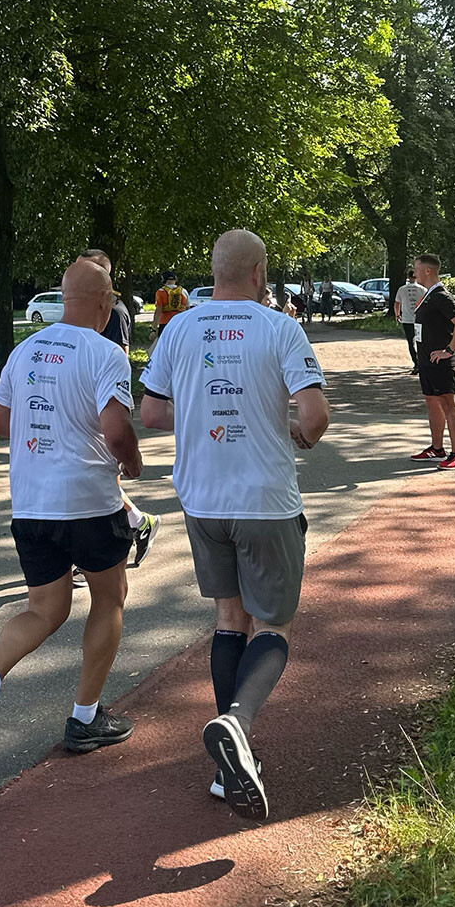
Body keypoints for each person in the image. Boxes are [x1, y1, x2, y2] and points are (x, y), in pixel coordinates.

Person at [140, 229, 329, 820]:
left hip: (202, 499)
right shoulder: (280, 328)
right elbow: (315, 416)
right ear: (259, 273)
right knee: (273, 625)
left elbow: (151, 413)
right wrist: (295, 432)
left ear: (214, 271)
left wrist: (200, 412)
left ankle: (228, 769)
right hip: (265, 499)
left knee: (228, 619)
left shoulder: (178, 328)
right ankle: (238, 725)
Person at [0, 257, 143, 765]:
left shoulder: (25, 349)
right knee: (109, 599)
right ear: (105, 304)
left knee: (45, 608)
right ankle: (85, 717)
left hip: (32, 504)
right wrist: (133, 462)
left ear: (62, 299)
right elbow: (116, 430)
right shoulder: (106, 353)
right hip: (89, 503)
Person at [78, 248, 160, 579]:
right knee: (91, 479)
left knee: (98, 479)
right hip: (81, 404)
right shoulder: (83, 306)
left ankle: (127, 531)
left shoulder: (115, 311)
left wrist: (111, 410)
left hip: (103, 406)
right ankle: (140, 522)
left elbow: (120, 356)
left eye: (89, 270)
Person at [409, 253, 455, 471]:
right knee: (432, 401)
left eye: (416, 269)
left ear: (427, 271)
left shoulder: (442, 296)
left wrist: (448, 350)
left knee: (447, 403)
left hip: (440, 362)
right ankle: (437, 449)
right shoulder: (429, 295)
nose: (414, 273)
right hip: (426, 360)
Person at [394, 270, 425, 375]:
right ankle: (423, 362)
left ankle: (416, 363)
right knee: (421, 341)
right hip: (420, 319)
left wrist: (397, 315)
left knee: (411, 342)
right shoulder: (422, 289)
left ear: (408, 277)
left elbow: (397, 304)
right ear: (416, 276)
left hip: (407, 320)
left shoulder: (402, 289)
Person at [152, 270, 189, 338]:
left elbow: (158, 311)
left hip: (165, 323)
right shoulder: (184, 291)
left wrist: (154, 329)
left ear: (163, 280)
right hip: (180, 323)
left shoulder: (160, 292)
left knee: (163, 343)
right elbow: (187, 309)